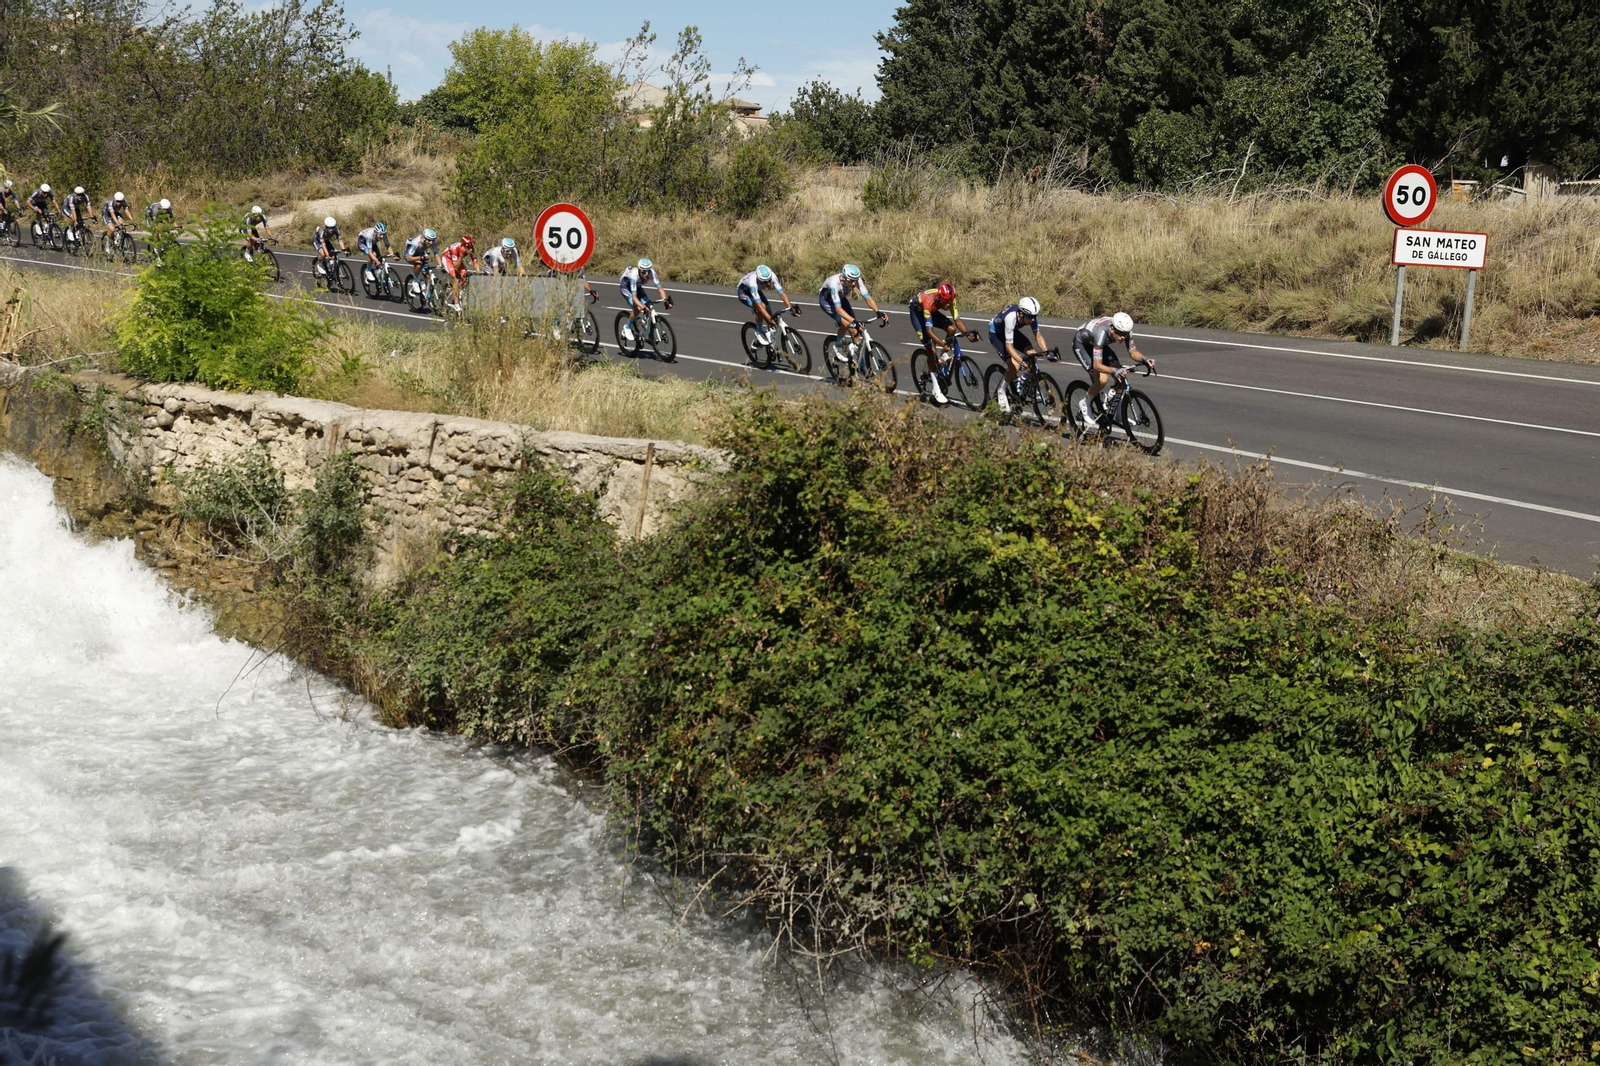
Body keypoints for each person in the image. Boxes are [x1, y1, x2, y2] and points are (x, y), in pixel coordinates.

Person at [1073, 312, 1154, 428]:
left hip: (1100, 345)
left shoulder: (1126, 331)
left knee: (1121, 374)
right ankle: (1085, 403)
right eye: (1120, 334)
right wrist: (1113, 371)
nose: (1122, 337)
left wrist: (1145, 359)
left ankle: (1117, 411)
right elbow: (1097, 365)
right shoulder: (1101, 333)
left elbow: (1133, 352)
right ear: (1112, 329)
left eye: (1125, 334)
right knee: (1102, 379)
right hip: (1082, 344)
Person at [907, 281, 975, 405]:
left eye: (950, 302)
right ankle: (936, 389)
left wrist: (967, 334)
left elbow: (957, 320)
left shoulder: (950, 298)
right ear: (940, 298)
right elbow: (929, 330)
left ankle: (943, 356)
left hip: (932, 310)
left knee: (951, 329)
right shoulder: (929, 302)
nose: (948, 305)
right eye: (946, 302)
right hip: (918, 312)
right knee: (931, 350)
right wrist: (940, 343)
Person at [818, 263, 888, 371]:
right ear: (844, 279)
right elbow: (838, 310)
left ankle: (862, 366)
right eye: (851, 281)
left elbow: (867, 298)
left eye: (855, 280)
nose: (854, 284)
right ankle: (838, 348)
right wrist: (853, 320)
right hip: (827, 302)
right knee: (847, 324)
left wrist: (878, 312)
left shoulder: (855, 279)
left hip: (840, 299)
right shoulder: (834, 283)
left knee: (856, 330)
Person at [987, 296, 1049, 415]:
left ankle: (1028, 384)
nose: (1033, 320)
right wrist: (1021, 361)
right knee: (1014, 366)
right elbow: (1009, 347)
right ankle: (1002, 391)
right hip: (997, 334)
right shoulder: (1011, 318)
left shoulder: (1030, 316)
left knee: (1032, 355)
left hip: (1010, 331)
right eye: (1030, 317)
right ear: (1021, 314)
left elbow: (1038, 336)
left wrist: (1047, 353)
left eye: (1035, 317)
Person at [736, 264, 796, 347]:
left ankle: (771, 343)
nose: (768, 284)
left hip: (757, 290)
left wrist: (790, 307)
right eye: (765, 282)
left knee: (769, 313)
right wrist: (769, 320)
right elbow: (760, 306)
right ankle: (759, 333)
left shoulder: (772, 276)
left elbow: (782, 294)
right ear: (760, 280)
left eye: (769, 280)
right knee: (762, 308)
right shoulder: (752, 283)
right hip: (744, 293)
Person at [618, 257, 671, 343]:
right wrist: (642, 306)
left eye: (648, 271)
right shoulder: (633, 276)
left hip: (637, 286)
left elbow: (660, 288)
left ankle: (649, 335)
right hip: (626, 287)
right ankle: (627, 327)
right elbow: (634, 297)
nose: (646, 274)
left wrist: (665, 300)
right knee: (638, 308)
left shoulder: (652, 273)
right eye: (643, 272)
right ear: (639, 270)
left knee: (649, 306)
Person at [439, 234, 478, 310]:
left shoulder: (471, 248)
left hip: (457, 260)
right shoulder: (455, 249)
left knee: (464, 275)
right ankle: (456, 303)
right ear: (464, 246)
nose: (470, 250)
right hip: (448, 258)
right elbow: (456, 267)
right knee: (456, 278)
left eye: (471, 247)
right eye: (468, 247)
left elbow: (474, 262)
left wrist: (479, 274)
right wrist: (461, 255)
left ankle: (458, 291)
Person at [312, 215, 346, 281]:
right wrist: (327, 255)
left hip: (326, 240)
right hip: (316, 240)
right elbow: (323, 245)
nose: (331, 229)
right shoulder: (321, 231)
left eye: (332, 227)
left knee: (333, 255)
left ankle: (330, 269)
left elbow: (340, 240)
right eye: (329, 228)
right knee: (323, 254)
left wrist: (344, 250)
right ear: (326, 227)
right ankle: (320, 264)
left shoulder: (336, 229)